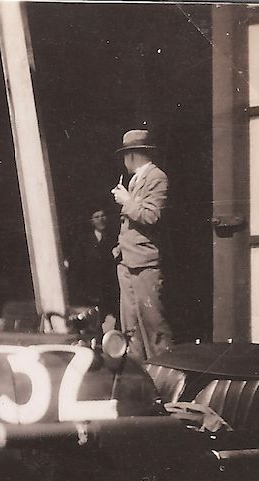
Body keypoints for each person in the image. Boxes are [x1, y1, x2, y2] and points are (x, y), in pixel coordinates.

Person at [110, 129, 172, 360]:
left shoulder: (157, 178)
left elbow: (151, 216)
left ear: (132, 155)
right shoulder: (136, 180)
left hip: (145, 264)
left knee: (153, 327)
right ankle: (138, 381)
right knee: (131, 329)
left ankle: (165, 379)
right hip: (127, 263)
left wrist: (126, 200)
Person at [69, 208, 119, 325]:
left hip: (110, 289)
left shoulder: (113, 239)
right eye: (97, 217)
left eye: (103, 216)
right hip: (91, 290)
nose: (101, 219)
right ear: (91, 221)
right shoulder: (84, 241)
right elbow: (77, 266)